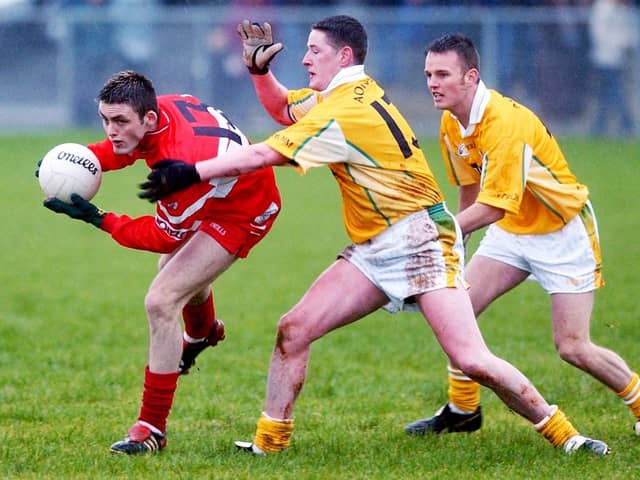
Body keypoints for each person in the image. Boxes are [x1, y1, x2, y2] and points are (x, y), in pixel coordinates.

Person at [138, 16, 609, 456]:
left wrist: (192, 171)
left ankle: (568, 437)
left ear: (343, 57)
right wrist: (260, 73)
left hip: (422, 239)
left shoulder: (344, 112)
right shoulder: (340, 97)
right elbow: (284, 108)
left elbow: (264, 155)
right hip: (375, 245)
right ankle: (269, 444)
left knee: (471, 358)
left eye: (313, 51)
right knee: (294, 329)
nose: (304, 59)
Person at [404, 33, 640, 441]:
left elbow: (495, 206)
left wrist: (438, 231)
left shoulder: (505, 124)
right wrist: (454, 247)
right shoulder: (450, 121)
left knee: (572, 347)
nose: (432, 83)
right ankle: (463, 410)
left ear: (471, 77)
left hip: (562, 232)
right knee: (456, 315)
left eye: (443, 74)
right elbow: (471, 189)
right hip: (511, 232)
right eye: (428, 74)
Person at [40, 70, 282, 454]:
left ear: (147, 119)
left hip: (244, 210)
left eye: (119, 121)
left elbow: (163, 236)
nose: (111, 129)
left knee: (162, 298)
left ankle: (151, 428)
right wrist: (74, 161)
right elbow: (122, 148)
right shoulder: (160, 111)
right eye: (105, 119)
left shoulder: (178, 161)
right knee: (175, 275)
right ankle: (203, 333)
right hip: (217, 190)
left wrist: (99, 218)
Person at [588, 0, 639, 137]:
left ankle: (599, 127)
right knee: (615, 93)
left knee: (606, 95)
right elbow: (599, 33)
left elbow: (631, 32)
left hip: (621, 61)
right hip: (604, 59)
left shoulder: (625, 10)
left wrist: (628, 44)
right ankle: (626, 124)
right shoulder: (603, 8)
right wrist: (620, 44)